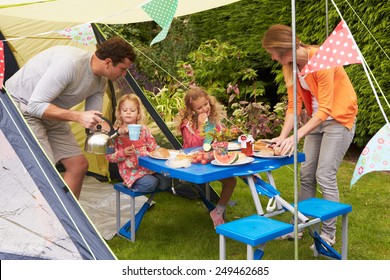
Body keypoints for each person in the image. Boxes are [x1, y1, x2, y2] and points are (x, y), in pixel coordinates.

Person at [5, 36, 137, 199]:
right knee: (45, 171)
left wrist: (117, 130)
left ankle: (70, 220)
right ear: (108, 62)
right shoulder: (69, 64)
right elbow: (35, 105)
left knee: (78, 165)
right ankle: (48, 222)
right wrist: (77, 116)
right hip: (20, 106)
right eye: (123, 69)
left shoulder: (101, 81)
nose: (124, 74)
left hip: (52, 112)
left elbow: (93, 122)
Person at [262, 24, 358, 247]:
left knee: (325, 174)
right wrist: (282, 135)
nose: (272, 57)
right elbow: (294, 106)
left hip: (338, 119)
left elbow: (325, 109)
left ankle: (328, 234)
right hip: (316, 121)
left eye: (272, 52)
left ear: (281, 48)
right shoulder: (292, 67)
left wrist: (296, 137)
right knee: (306, 174)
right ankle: (300, 226)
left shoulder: (322, 59)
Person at [175, 86, 237, 228]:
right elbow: (192, 146)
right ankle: (218, 212)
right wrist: (201, 127)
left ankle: (218, 211)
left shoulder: (213, 121)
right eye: (199, 108)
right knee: (231, 180)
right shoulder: (188, 125)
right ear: (191, 110)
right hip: (195, 163)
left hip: (212, 159)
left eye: (206, 104)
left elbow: (219, 141)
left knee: (238, 174)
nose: (204, 109)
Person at [105, 94, 171, 193]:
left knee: (167, 179)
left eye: (132, 110)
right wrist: (123, 153)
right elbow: (109, 157)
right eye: (125, 110)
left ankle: (153, 183)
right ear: (119, 113)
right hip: (131, 172)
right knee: (151, 183)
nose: (128, 113)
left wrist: (163, 152)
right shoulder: (115, 133)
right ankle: (132, 185)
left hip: (148, 169)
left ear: (138, 114)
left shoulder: (143, 130)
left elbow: (153, 147)